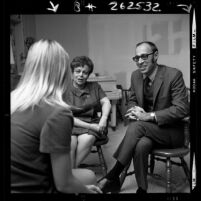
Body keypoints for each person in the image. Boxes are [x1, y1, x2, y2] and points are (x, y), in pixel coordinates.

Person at [11, 39, 102, 194]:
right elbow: (64, 184)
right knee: (90, 178)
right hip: (36, 187)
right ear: (63, 71)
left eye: (84, 72)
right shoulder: (57, 113)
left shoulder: (14, 99)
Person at [98, 41, 189, 194]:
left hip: (171, 132)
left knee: (137, 127)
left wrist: (149, 115)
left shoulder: (173, 75)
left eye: (144, 56)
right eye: (137, 58)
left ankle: (113, 175)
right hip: (146, 132)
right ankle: (142, 189)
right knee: (141, 145)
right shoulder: (135, 76)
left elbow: (182, 109)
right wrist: (134, 109)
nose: (140, 61)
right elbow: (131, 100)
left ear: (155, 55)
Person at [63, 56, 111, 168]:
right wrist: (91, 126)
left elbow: (106, 102)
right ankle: (71, 172)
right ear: (72, 72)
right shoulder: (64, 88)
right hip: (70, 123)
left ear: (89, 75)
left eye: (85, 72)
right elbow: (67, 116)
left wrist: (104, 118)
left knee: (87, 139)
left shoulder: (94, 86)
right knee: (70, 142)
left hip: (92, 121)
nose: (81, 75)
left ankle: (71, 170)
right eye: (78, 71)